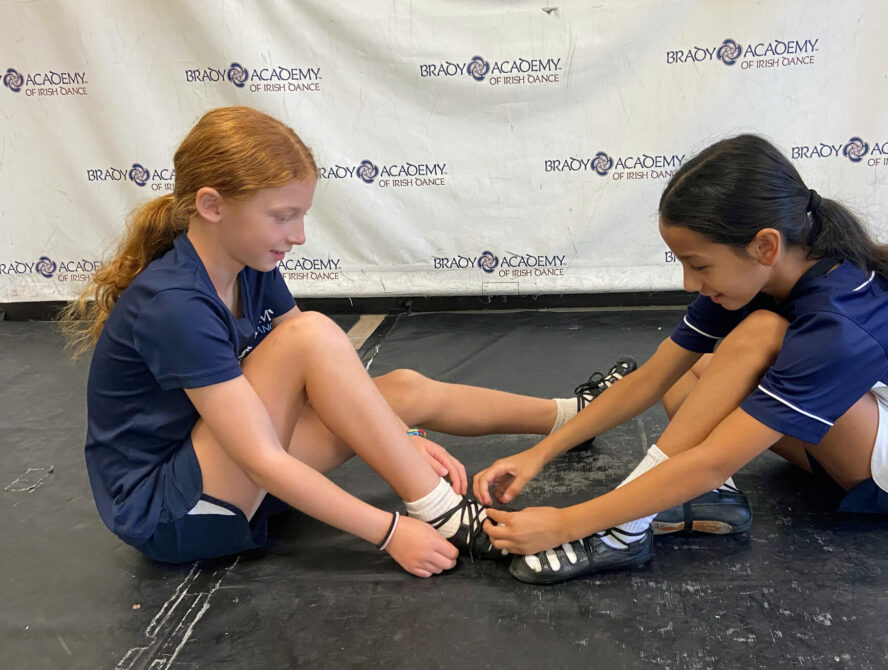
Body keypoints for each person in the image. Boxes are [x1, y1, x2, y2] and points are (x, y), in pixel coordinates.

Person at [60, 106, 635, 577]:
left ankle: (572, 415)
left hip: (219, 468)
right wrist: (388, 532)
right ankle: (440, 513)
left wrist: (402, 437)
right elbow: (260, 451)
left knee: (400, 391)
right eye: (284, 216)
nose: (299, 236)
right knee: (311, 336)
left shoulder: (248, 261)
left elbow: (329, 384)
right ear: (211, 206)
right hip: (175, 512)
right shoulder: (175, 304)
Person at [474, 134, 888, 584]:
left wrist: (567, 523)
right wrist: (538, 453)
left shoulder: (842, 324)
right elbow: (649, 381)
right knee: (689, 365)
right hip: (842, 442)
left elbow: (710, 459)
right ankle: (704, 503)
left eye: (699, 264)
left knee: (759, 334)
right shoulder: (760, 273)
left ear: (765, 245)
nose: (690, 283)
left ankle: (625, 533)